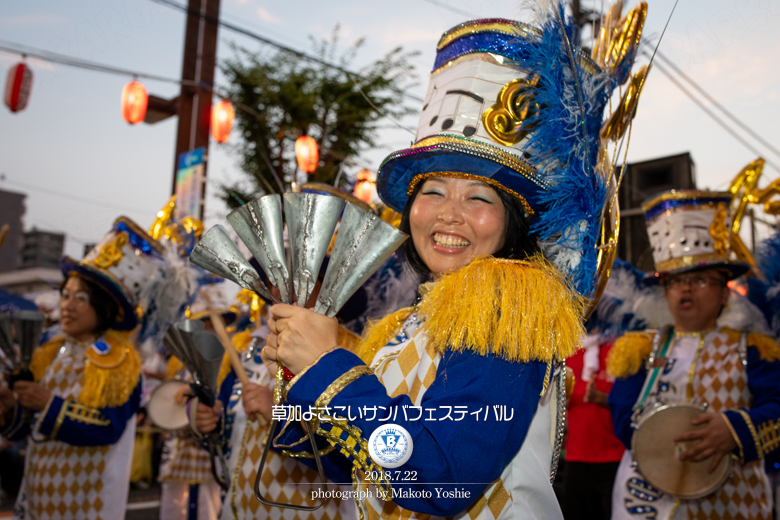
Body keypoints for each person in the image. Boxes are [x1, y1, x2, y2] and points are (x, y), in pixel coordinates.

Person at [196, 5, 648, 519]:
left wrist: (329, 369)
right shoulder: (402, 326)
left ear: (511, 223)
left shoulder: (507, 305)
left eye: (479, 198)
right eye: (433, 191)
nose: (449, 215)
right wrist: (295, 383)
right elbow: (351, 460)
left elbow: (443, 481)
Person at [607, 190, 780, 520]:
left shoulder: (755, 348)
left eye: (699, 279)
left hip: (731, 503)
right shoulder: (640, 347)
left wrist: (735, 429)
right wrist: (662, 442)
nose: (685, 289)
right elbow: (621, 412)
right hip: (644, 501)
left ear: (724, 292)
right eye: (675, 282)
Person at [0, 216, 167, 520]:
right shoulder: (49, 352)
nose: (67, 305)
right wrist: (11, 407)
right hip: (36, 497)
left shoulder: (120, 360)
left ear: (104, 307)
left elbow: (109, 427)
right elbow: (27, 426)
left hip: (83, 502)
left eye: (80, 298)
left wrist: (47, 404)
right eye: (65, 295)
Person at [560, 333, 625, 520]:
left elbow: (636, 403)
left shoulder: (620, 350)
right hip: (577, 457)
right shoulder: (569, 353)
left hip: (616, 458)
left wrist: (603, 399)